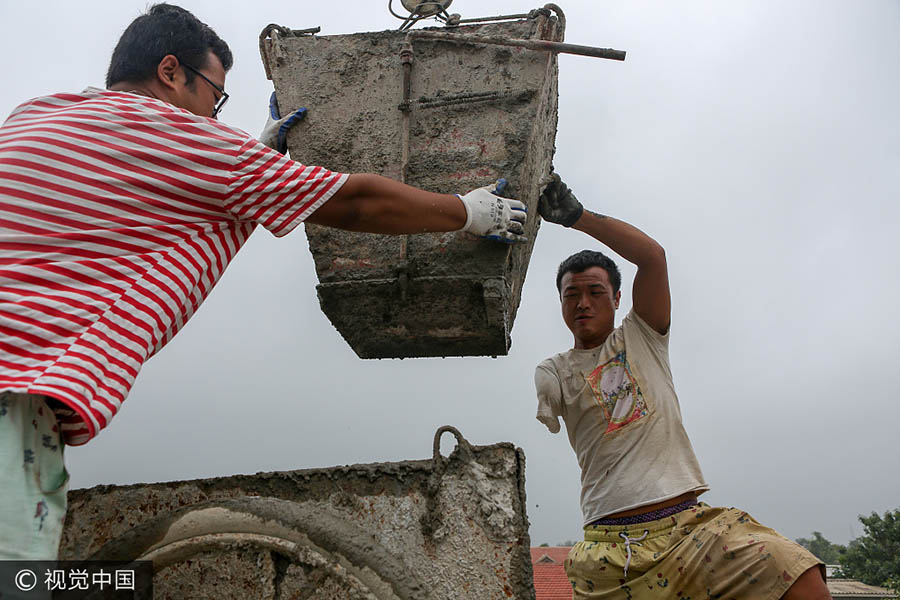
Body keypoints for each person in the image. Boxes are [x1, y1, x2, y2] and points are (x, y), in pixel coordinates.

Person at [0, 3, 527, 560]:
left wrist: (252, 161)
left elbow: (132, 207)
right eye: (214, 94)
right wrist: (467, 212)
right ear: (171, 71)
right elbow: (355, 200)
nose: (212, 116)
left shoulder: (34, 116)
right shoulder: (184, 141)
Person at [534, 173, 830, 599]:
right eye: (570, 294)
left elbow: (653, 257)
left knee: (800, 578)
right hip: (611, 548)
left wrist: (578, 217)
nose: (582, 303)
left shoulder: (643, 336)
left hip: (690, 532)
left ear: (618, 299)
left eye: (595, 291)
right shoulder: (554, 370)